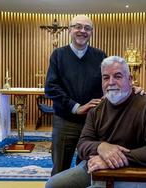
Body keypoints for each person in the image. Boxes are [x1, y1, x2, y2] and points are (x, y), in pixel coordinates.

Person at [45, 56, 146, 188]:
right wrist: (101, 147)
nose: (111, 82)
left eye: (117, 76)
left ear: (130, 80)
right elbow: (82, 145)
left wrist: (115, 158)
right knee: (53, 185)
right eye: (106, 78)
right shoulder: (97, 109)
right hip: (97, 166)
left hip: (134, 168)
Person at [45, 14, 107, 176]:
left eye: (87, 28)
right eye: (78, 27)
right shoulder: (58, 55)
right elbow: (51, 87)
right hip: (65, 121)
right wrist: (76, 107)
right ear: (70, 30)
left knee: (88, 169)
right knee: (60, 168)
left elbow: (108, 84)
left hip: (93, 123)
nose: (82, 31)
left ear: (92, 32)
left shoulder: (100, 56)